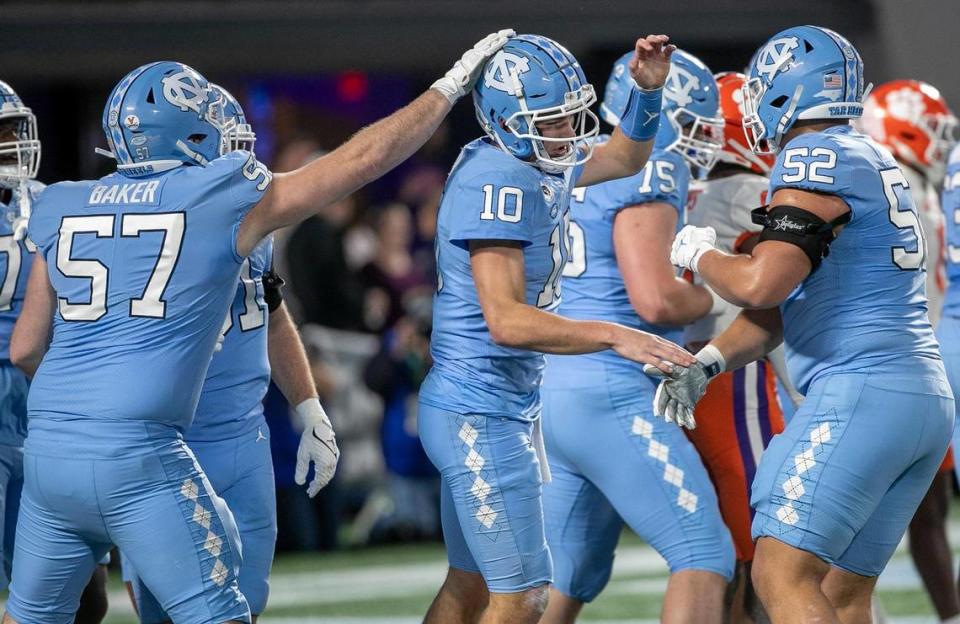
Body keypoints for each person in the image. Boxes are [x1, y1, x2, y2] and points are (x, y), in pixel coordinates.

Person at [4, 29, 515, 624]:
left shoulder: (63, 201)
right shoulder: (218, 196)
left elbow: (27, 348)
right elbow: (361, 160)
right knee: (221, 613)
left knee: (31, 617)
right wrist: (447, 90)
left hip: (52, 452)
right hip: (142, 452)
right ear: (187, 132)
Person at [654, 25, 954, 622]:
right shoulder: (868, 155)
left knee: (779, 571)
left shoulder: (814, 155)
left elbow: (758, 282)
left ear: (787, 92)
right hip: (918, 396)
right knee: (841, 595)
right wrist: (710, 363)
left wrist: (697, 253)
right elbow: (779, 310)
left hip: (862, 391)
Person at [418, 33, 695, 624]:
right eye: (554, 122)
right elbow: (506, 320)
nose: (569, 133)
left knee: (469, 587)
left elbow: (625, 156)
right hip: (478, 406)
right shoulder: (497, 176)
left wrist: (647, 92)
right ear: (508, 120)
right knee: (523, 599)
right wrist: (614, 334)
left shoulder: (533, 160)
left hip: (497, 401)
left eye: (572, 117)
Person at [119, 83, 329, 623]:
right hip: (164, 443)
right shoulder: (123, 231)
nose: (237, 156)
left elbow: (272, 312)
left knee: (244, 607)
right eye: (218, 140)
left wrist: (308, 406)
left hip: (243, 436)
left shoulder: (250, 221)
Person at [538, 49, 733, 624]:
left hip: (555, 388)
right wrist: (720, 294)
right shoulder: (653, 163)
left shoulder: (575, 159)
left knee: (566, 574)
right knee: (703, 553)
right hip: (611, 388)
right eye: (696, 123)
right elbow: (655, 297)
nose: (703, 140)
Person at [0, 80, 110, 624]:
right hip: (20, 387)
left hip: (47, 392)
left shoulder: (51, 201)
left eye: (14, 129)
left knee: (84, 581)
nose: (12, 143)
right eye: (0, 132)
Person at [682, 70, 785, 624]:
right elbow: (773, 288)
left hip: (694, 370)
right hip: (734, 373)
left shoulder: (690, 187)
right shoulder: (747, 192)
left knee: (727, 551)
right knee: (765, 545)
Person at [858, 78, 960, 624]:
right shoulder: (876, 180)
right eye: (934, 132)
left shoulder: (918, 184)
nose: (942, 145)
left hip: (921, 365)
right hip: (880, 369)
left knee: (929, 504)